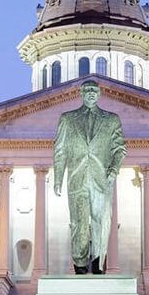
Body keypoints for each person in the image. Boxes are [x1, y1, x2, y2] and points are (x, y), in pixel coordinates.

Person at [53, 80, 126, 274]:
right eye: (88, 90)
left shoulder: (111, 119)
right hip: (76, 179)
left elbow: (120, 148)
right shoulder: (67, 119)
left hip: (101, 178)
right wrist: (58, 178)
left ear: (100, 93)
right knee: (78, 223)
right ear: (81, 93)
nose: (92, 93)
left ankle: (98, 263)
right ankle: (80, 264)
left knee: (101, 222)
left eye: (95, 90)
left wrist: (114, 169)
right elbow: (60, 151)